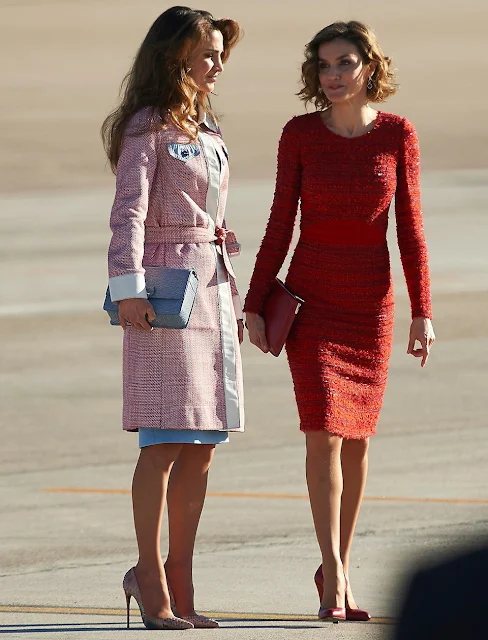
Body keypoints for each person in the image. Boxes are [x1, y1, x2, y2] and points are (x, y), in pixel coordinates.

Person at [244, 20, 435, 622]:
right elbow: (280, 221)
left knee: (356, 444)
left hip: (371, 304)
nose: (332, 76)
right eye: (323, 65)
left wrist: (423, 311)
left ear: (368, 67)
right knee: (322, 430)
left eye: (344, 63)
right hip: (312, 298)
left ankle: (338, 565)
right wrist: (254, 299)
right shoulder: (299, 134)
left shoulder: (398, 134)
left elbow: (410, 229)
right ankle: (333, 575)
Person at [102, 6, 243, 630]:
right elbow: (128, 211)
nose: (215, 64)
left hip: (210, 287)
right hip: (163, 293)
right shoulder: (147, 126)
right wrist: (127, 287)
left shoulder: (206, 126)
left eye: (218, 53)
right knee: (162, 440)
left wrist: (217, 236)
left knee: (200, 446)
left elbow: (195, 205)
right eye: (204, 54)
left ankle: (184, 585)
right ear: (172, 56)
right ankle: (151, 580)